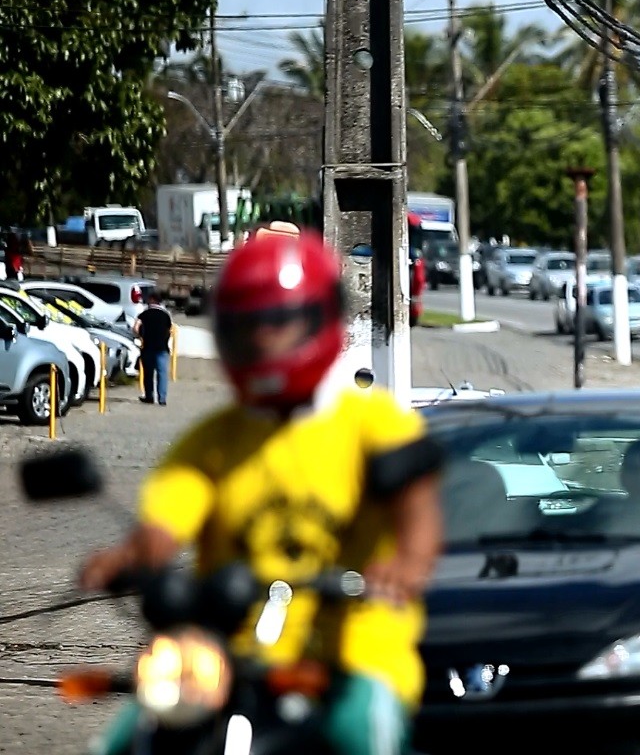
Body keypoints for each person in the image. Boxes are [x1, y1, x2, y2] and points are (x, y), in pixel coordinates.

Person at [76, 227, 443, 755]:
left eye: (281, 323)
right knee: (127, 737)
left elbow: (417, 503)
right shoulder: (213, 440)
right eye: (248, 326)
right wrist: (130, 555)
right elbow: (168, 517)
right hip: (226, 657)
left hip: (355, 647)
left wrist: (406, 564)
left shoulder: (373, 423)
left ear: (320, 319)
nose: (265, 340)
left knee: (364, 731)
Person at [132, 291, 174, 406]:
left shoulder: (144, 314)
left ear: (151, 300)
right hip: (162, 348)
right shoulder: (165, 315)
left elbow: (135, 328)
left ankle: (149, 396)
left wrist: (140, 336)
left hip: (148, 348)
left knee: (148, 374)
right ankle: (162, 399)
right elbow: (170, 330)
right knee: (162, 373)